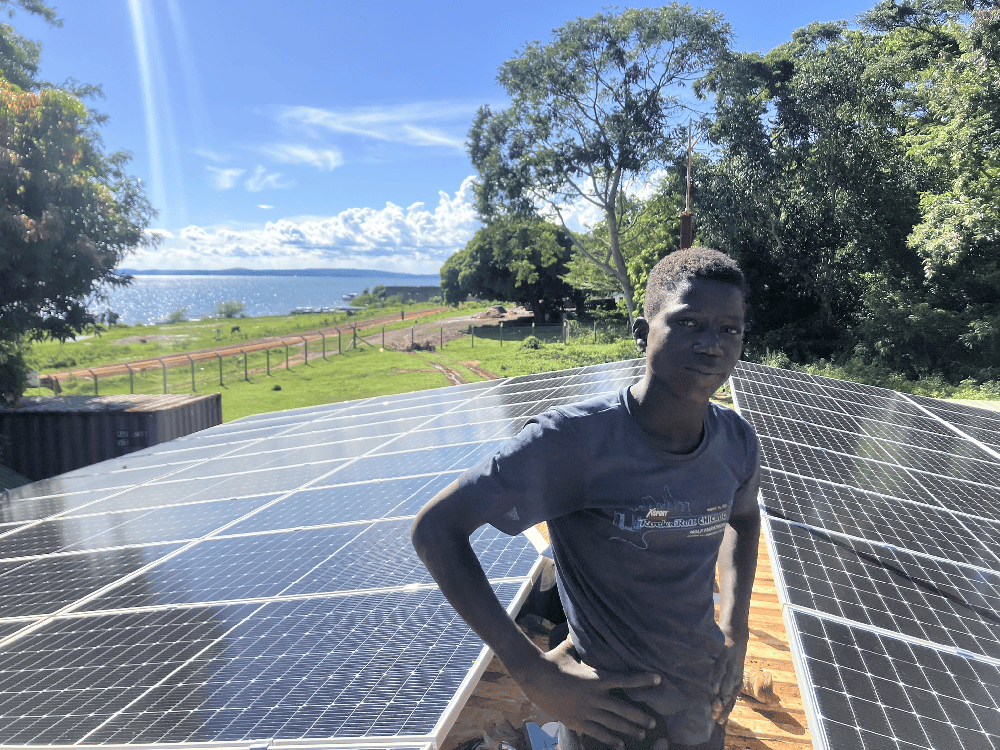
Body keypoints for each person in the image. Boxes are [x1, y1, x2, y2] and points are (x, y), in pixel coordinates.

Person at [411, 247, 761, 750]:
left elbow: (743, 519)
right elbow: (435, 530)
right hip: (606, 718)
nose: (712, 345)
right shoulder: (574, 444)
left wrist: (735, 628)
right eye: (689, 324)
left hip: (699, 704)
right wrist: (532, 674)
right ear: (642, 333)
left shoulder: (736, 441)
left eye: (730, 329)